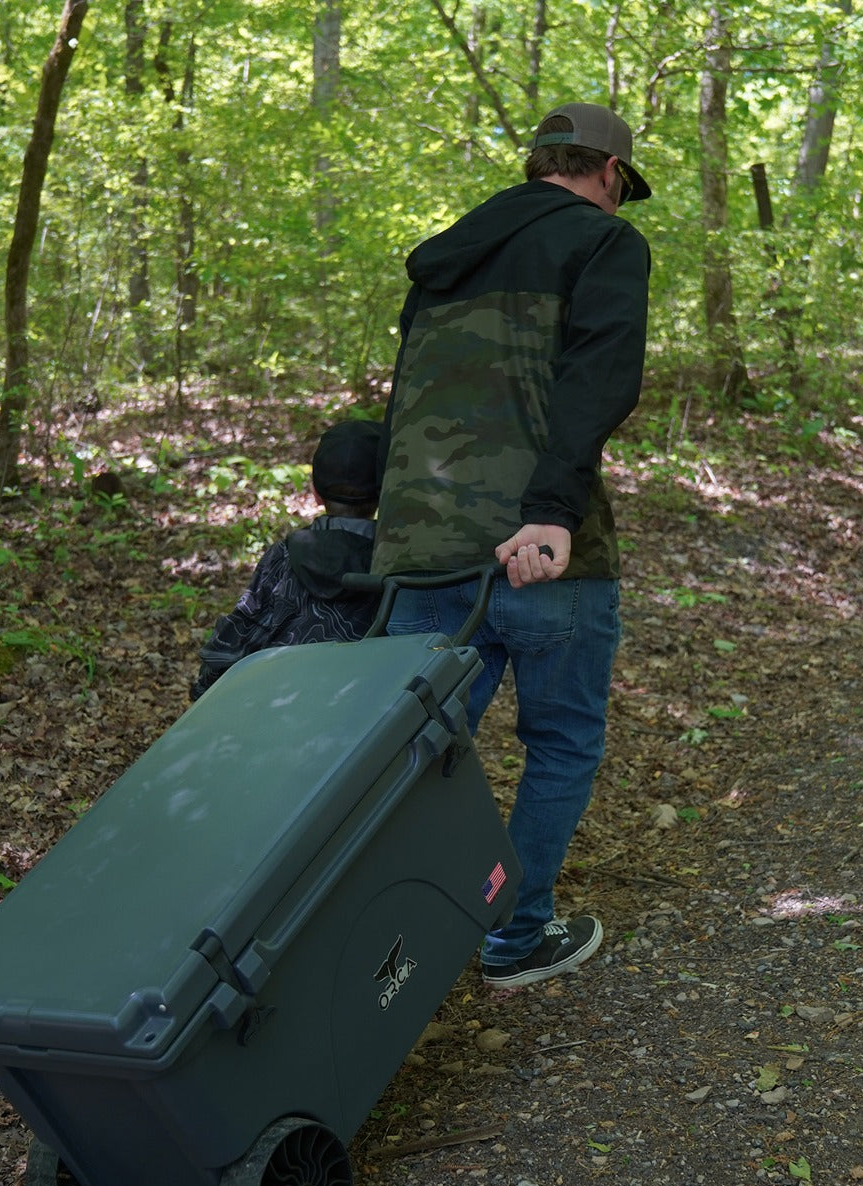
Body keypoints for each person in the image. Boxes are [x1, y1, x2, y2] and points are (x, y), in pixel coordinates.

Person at [373, 102, 652, 990]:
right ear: (608, 173)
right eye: (622, 188)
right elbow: (597, 381)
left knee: (411, 759)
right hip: (537, 547)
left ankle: (382, 955)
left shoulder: (446, 258)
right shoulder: (605, 243)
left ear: (539, 163)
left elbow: (405, 401)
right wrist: (554, 511)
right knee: (562, 741)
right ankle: (513, 936)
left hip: (420, 546)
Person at [189, 420, 382, 700]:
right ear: (384, 493)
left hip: (277, 705)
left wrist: (204, 694)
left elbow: (239, 633)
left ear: (315, 493)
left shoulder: (284, 555)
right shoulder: (398, 564)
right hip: (365, 718)